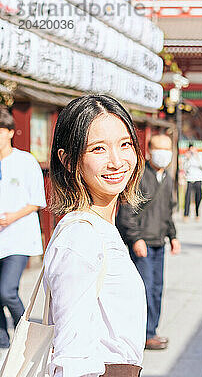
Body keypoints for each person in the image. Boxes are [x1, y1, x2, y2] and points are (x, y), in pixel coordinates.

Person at [44, 95, 147, 376]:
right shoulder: (80, 237)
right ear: (68, 160)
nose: (117, 161)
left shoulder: (102, 229)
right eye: (98, 149)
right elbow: (71, 356)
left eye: (125, 144)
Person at [116, 134, 181, 350]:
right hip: (142, 242)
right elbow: (126, 212)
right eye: (159, 149)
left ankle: (151, 331)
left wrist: (173, 236)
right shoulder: (139, 176)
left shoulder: (168, 177)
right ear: (149, 151)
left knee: (157, 289)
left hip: (158, 241)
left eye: (167, 149)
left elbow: (168, 212)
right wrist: (135, 238)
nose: (164, 154)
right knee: (143, 288)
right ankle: (142, 333)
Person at [0, 106, 47, 348]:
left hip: (17, 238)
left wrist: (12, 216)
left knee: (6, 290)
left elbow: (38, 200)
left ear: (9, 132)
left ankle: (25, 331)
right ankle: (2, 338)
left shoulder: (25, 161)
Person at [183, 144, 202, 221]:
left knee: (199, 196)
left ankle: (197, 213)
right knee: (187, 197)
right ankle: (186, 215)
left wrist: (197, 157)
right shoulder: (187, 156)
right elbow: (184, 168)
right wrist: (188, 159)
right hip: (189, 178)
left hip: (199, 178)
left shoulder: (201, 155)